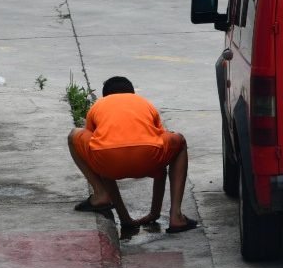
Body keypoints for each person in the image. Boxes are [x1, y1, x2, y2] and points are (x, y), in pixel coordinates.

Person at [67, 77, 194, 239]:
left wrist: (125, 220)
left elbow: (94, 140)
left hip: (107, 160)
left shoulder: (98, 105)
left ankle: (101, 195)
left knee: (92, 144)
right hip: (149, 157)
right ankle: (176, 216)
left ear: (105, 96)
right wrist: (154, 214)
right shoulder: (144, 103)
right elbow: (160, 149)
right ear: (132, 93)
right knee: (178, 142)